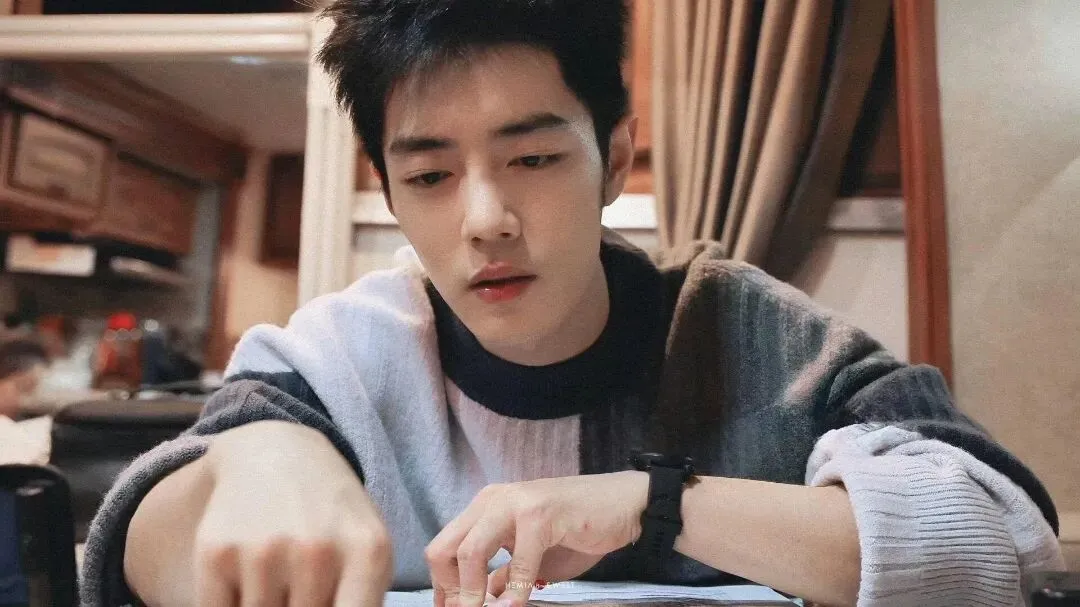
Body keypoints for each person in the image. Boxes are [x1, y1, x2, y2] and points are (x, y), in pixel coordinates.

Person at [82, 1, 1064, 605]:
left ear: (616, 159)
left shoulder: (757, 336)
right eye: (429, 176)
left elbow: (1001, 546)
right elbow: (129, 551)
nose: (486, 220)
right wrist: (261, 455)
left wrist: (658, 503)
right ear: (390, 190)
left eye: (535, 158)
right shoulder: (332, 360)